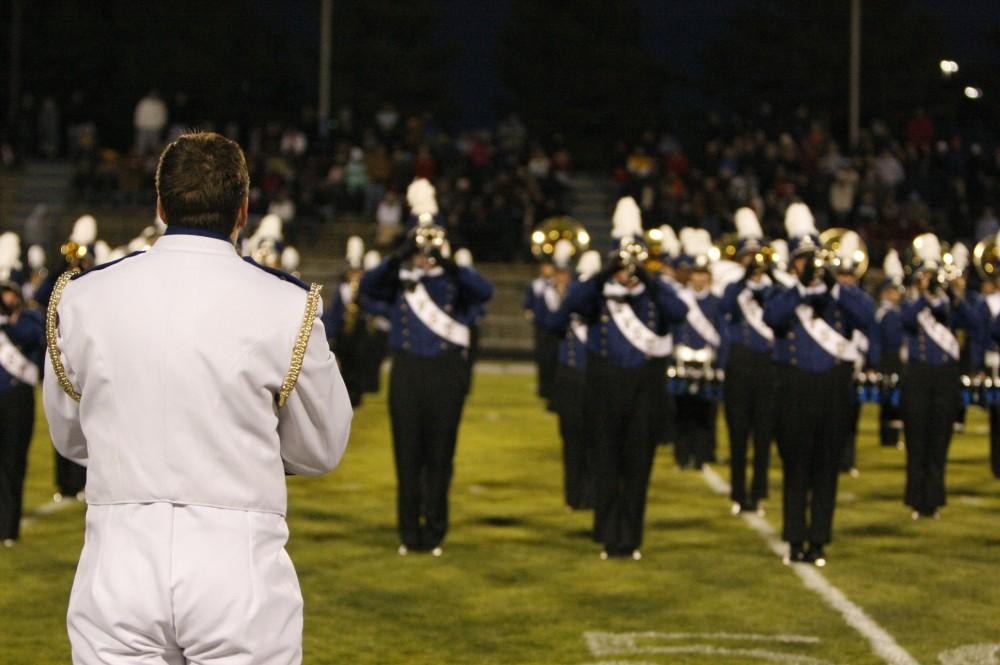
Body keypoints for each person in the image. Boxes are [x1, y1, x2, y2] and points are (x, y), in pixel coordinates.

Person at [44, 131, 352, 664]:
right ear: (244, 210)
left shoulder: (82, 295)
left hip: (117, 551)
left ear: (160, 204)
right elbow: (320, 449)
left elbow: (71, 437)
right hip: (237, 559)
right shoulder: (285, 302)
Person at [360, 178, 493, 556]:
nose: (425, 247)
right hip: (406, 371)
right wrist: (402, 252)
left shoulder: (452, 277)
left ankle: (434, 532)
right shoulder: (399, 274)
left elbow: (485, 292)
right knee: (407, 454)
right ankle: (408, 533)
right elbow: (368, 287)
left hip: (445, 372)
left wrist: (446, 260)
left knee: (439, 455)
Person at [555, 197, 687, 559]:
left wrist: (647, 277)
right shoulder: (599, 293)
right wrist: (602, 274)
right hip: (603, 385)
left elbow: (679, 312)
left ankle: (630, 537)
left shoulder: (655, 293)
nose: (627, 270)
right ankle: (607, 532)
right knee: (606, 462)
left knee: (637, 464)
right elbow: (569, 308)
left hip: (644, 388)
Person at [764, 203, 874, 567]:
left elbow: (867, 316)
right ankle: (795, 539)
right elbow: (772, 317)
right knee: (795, 466)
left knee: (826, 467)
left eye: (812, 258)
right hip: (793, 388)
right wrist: (800, 288)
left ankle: (819, 540)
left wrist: (833, 286)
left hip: (832, 389)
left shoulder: (839, 297)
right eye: (801, 259)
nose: (807, 265)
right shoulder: (784, 293)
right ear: (792, 263)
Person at [901, 233, 984, 518]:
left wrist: (954, 295)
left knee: (939, 438)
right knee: (917, 439)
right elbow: (907, 321)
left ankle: (933, 500)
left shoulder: (950, 305)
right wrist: (925, 294)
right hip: (918, 374)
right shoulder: (911, 300)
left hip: (946, 376)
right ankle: (915, 500)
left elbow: (974, 323)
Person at [720, 208, 775, 515]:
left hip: (766, 364)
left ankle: (760, 492)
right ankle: (739, 493)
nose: (752, 261)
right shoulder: (733, 287)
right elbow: (726, 307)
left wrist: (766, 275)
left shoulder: (774, 288)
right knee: (738, 432)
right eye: (747, 256)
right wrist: (744, 278)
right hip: (739, 364)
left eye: (756, 255)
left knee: (763, 433)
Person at [538, 241, 596, 511]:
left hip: (596, 380)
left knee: (596, 441)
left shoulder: (604, 307)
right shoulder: (568, 304)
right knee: (571, 440)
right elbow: (551, 324)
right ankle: (574, 494)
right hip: (570, 377)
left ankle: (593, 492)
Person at [0, 232, 45, 547]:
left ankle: (8, 528)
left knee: (12, 463)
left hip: (17, 400)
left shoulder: (28, 318)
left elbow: (31, 338)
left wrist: (9, 321)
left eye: (7, 292)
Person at [672, 227, 725, 470]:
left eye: (704, 273)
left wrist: (720, 362)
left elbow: (722, 333)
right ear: (690, 275)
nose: (700, 278)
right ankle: (682, 455)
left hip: (708, 362)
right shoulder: (680, 299)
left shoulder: (717, 301)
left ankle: (704, 454)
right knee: (682, 410)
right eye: (696, 273)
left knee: (706, 411)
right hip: (683, 360)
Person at [323, 236, 369, 407]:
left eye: (358, 271)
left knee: (359, 365)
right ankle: (348, 395)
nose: (355, 274)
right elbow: (334, 313)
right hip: (344, 335)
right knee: (346, 366)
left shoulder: (365, 290)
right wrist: (330, 334)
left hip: (360, 333)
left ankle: (358, 395)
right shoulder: (341, 289)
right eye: (352, 271)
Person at [870, 250, 905, 448]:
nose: (898, 294)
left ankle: (892, 436)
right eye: (894, 290)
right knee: (889, 397)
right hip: (887, 357)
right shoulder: (884, 313)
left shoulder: (894, 312)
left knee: (895, 396)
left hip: (894, 357)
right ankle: (888, 437)